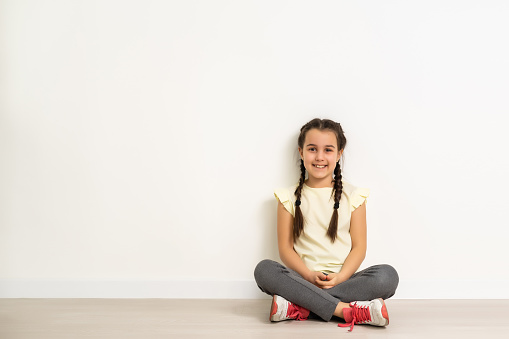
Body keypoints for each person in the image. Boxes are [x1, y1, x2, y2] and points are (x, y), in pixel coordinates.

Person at [254, 118, 399, 332]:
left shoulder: (354, 196)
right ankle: (346, 310)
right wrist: (308, 276)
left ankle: (300, 306)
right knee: (264, 270)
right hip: (303, 279)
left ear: (339, 153)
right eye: (312, 149)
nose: (320, 157)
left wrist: (340, 277)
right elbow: (285, 249)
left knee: (387, 276)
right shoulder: (287, 197)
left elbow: (359, 247)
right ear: (301, 152)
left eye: (328, 150)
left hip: (344, 280)